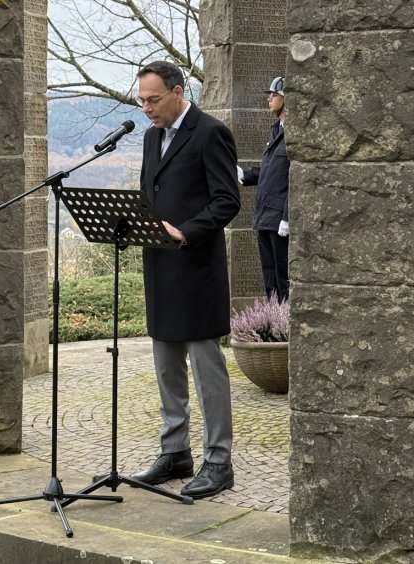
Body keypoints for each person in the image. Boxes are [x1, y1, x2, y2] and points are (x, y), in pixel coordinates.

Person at [129, 61, 241, 498]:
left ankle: (219, 460)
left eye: (153, 100)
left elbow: (227, 201)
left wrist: (187, 230)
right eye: (142, 100)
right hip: (159, 267)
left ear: (178, 92)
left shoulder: (211, 133)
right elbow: (149, 193)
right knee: (165, 367)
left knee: (206, 369)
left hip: (195, 269)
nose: (147, 109)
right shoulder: (151, 137)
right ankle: (175, 453)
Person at [238, 77, 290, 302]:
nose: (269, 98)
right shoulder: (276, 130)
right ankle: (275, 325)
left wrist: (287, 218)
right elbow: (270, 172)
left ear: (287, 99)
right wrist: (242, 174)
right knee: (270, 278)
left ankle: (286, 327)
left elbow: (295, 181)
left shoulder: (294, 134)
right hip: (265, 216)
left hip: (280, 219)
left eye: (274, 94)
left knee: (283, 277)